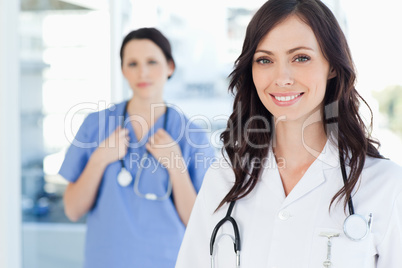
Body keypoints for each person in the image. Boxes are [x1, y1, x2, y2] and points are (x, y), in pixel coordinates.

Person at [175, 0, 402, 267]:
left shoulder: (385, 185)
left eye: (301, 58)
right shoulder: (224, 178)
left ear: (332, 65)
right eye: (265, 60)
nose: (282, 77)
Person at [59, 27, 215, 268]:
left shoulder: (191, 134)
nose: (142, 72)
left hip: (170, 261)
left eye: (152, 61)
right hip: (106, 260)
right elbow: (72, 210)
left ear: (170, 67)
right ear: (123, 70)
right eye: (132, 63)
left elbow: (201, 225)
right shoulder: (95, 126)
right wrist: (100, 159)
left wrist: (176, 166)